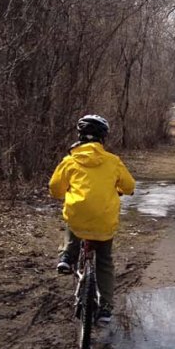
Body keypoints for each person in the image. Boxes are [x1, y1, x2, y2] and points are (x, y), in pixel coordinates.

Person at [49, 114, 135, 325]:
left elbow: (55, 188)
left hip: (78, 217)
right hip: (104, 221)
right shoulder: (113, 161)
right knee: (104, 262)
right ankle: (105, 309)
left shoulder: (70, 161)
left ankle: (67, 257)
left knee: (74, 218)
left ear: (79, 136)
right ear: (103, 138)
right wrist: (120, 189)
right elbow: (129, 186)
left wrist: (64, 192)